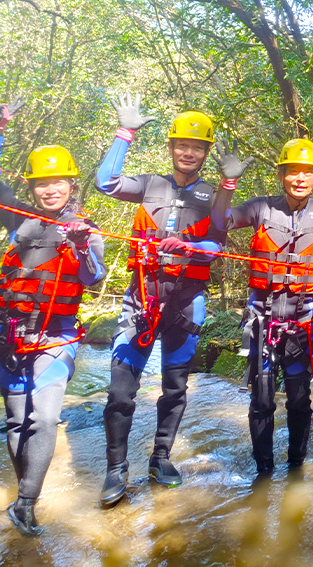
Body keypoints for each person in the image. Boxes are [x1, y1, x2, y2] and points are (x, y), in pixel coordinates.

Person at [0, 100, 106, 535]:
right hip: (11, 335)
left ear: (71, 184)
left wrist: (82, 245)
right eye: (42, 183)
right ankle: (24, 496)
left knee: (44, 419)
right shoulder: (18, 219)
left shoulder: (86, 229)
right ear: (33, 187)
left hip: (57, 336)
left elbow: (93, 277)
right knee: (16, 422)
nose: (50, 190)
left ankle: (27, 502)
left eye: (57, 182)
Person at [96, 95, 224, 505]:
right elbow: (105, 182)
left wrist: (190, 247)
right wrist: (125, 133)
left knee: (174, 387)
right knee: (121, 391)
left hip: (186, 303)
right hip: (142, 299)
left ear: (205, 153)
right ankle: (115, 469)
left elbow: (219, 242)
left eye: (197, 147)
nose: (189, 152)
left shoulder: (211, 194)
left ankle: (161, 457)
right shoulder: (150, 185)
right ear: (171, 148)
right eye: (182, 145)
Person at [211, 138, 313, 475]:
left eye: (307, 172)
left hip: (303, 322)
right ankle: (264, 470)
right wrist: (228, 185)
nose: (299, 178)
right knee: (262, 399)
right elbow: (220, 222)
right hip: (262, 319)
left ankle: (296, 466)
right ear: (281, 174)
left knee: (300, 398)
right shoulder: (261, 208)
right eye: (292, 172)